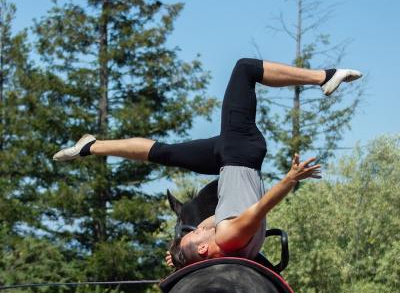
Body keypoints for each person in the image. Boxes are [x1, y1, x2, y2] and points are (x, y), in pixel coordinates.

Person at [53, 59, 362, 268]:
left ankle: (90, 146)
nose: (192, 232)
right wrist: (290, 179)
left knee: (165, 152)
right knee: (245, 69)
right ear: (204, 247)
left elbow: (200, 225)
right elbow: (260, 207)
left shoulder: (228, 242)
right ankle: (325, 75)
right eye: (192, 239)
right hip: (240, 152)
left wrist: (180, 253)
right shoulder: (230, 236)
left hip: (226, 159)